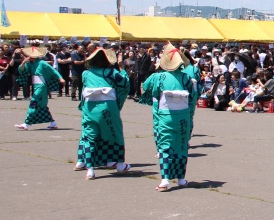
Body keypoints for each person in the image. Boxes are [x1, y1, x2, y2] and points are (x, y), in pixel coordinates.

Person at [139, 44, 195, 191]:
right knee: (181, 145)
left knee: (166, 145)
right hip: (183, 115)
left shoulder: (158, 77)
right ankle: (181, 178)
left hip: (166, 114)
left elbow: (146, 87)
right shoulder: (186, 77)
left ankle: (165, 179)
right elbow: (193, 95)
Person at [75, 47, 132, 179]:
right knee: (114, 133)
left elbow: (83, 90)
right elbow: (125, 83)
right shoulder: (111, 72)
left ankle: (89, 169)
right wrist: (121, 68)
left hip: (90, 107)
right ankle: (120, 164)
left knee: (89, 136)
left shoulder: (86, 74)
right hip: (108, 106)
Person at [14, 47, 64, 131]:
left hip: (41, 86)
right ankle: (53, 123)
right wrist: (23, 62)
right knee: (42, 106)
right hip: (36, 86)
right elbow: (21, 70)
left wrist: (60, 78)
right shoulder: (29, 63)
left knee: (33, 103)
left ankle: (26, 124)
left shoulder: (41, 63)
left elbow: (52, 70)